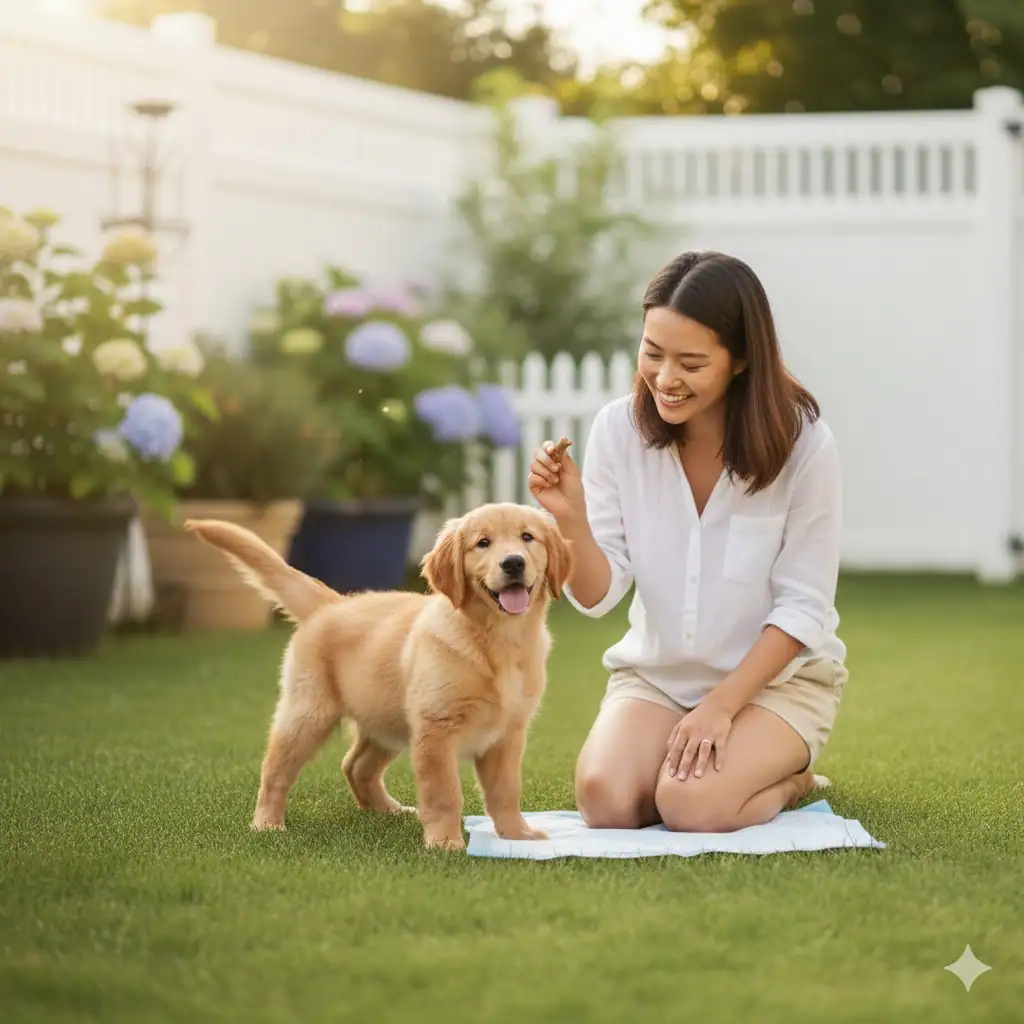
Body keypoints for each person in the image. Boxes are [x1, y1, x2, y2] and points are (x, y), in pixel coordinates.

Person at [527, 250, 847, 834]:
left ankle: (791, 778)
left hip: (775, 686)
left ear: (742, 359)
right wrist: (569, 519)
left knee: (692, 806)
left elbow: (804, 606)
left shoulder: (806, 447)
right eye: (653, 353)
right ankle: (703, 770)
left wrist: (722, 708)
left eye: (691, 363)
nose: (665, 379)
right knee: (605, 802)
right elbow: (600, 596)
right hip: (657, 676)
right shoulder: (617, 431)